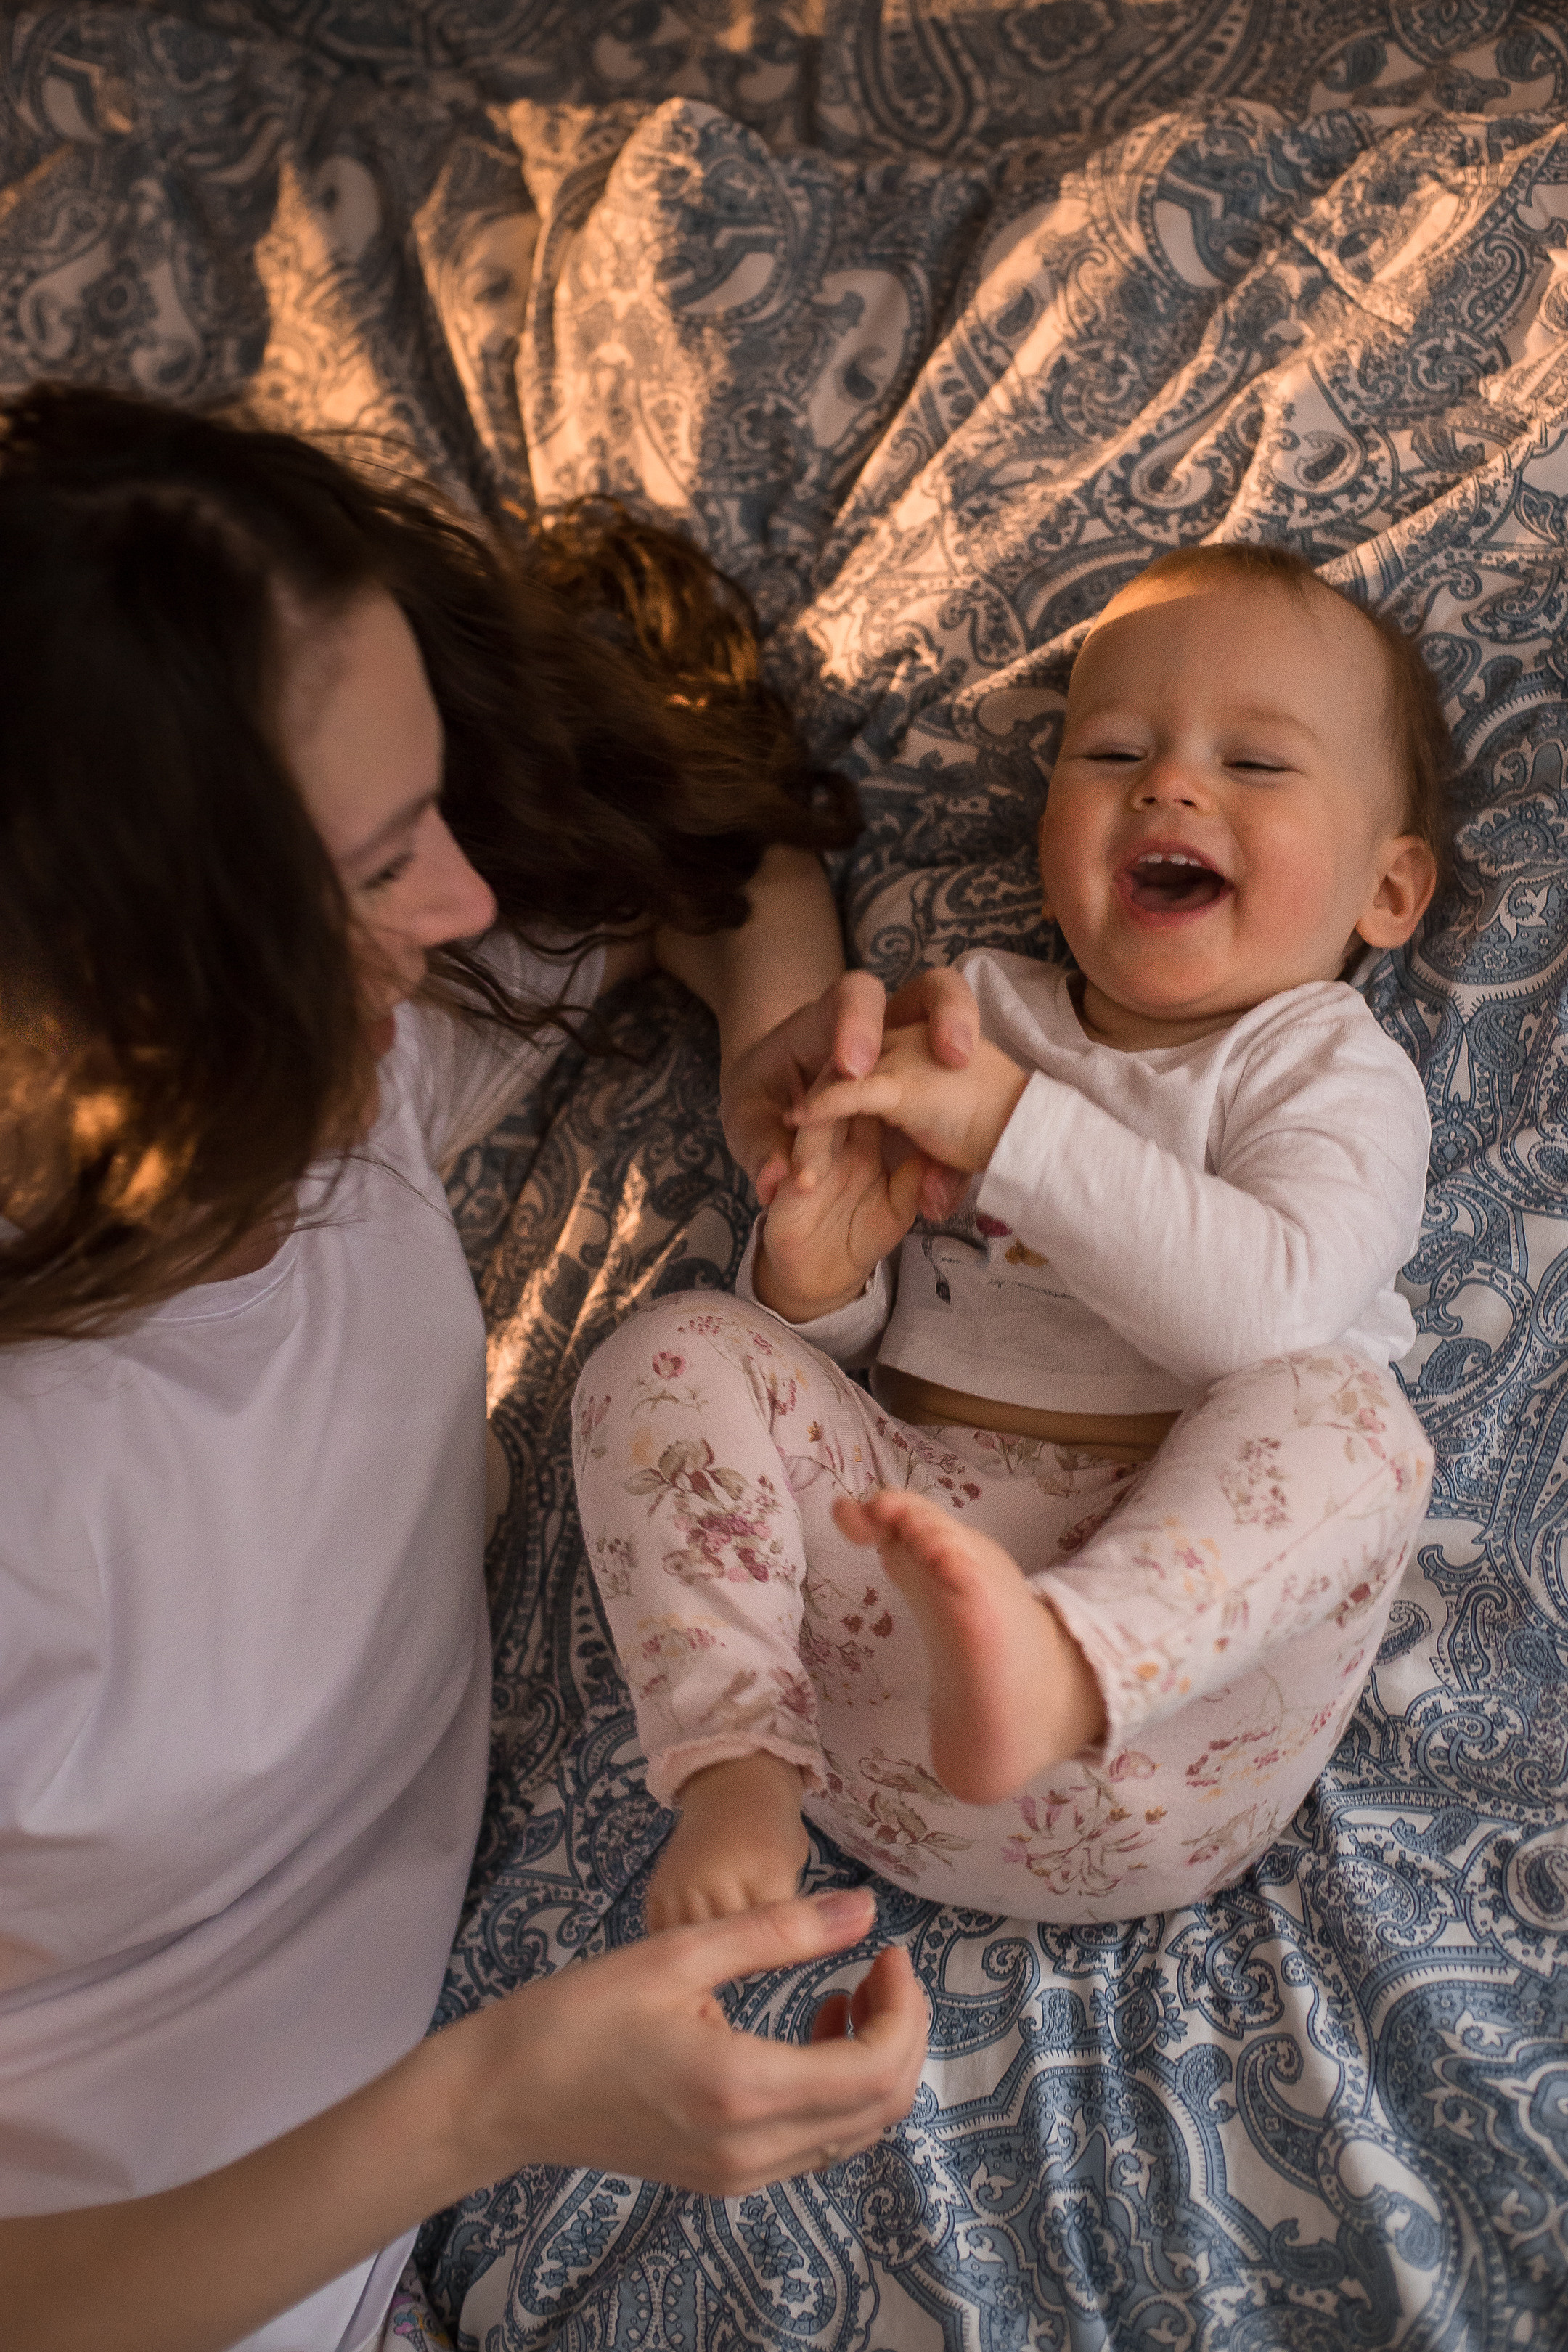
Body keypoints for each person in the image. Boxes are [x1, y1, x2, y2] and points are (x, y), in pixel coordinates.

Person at [0, 383, 968, 2352]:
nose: (457, 904)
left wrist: (784, 1069)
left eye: (429, 810)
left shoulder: (322, 1085)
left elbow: (703, 862)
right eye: (375, 866)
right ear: (129, 982)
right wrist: (489, 2106)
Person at [573, 544, 1447, 1928]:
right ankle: (733, 1760)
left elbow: (1271, 1317)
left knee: (1355, 1423)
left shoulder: (1328, 1069)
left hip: (1175, 1717)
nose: (1168, 785)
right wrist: (814, 1272)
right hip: (883, 1684)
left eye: (1255, 763)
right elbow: (857, 1345)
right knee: (674, 1346)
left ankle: (1062, 1660)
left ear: (1388, 893)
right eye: (1114, 753)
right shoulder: (973, 1013)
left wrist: (1010, 1125)